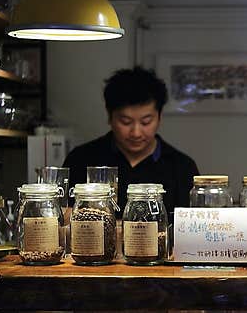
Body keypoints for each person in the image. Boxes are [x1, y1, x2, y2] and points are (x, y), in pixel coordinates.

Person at [63, 66, 199, 217]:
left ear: (159, 117)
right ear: (110, 116)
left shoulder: (181, 167)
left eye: (146, 122)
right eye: (126, 122)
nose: (136, 132)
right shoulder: (81, 159)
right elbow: (64, 219)